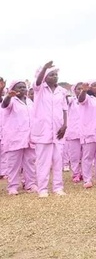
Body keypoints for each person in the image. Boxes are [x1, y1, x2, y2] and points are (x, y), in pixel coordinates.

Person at [32, 61, 68, 197]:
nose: (55, 77)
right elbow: (37, 82)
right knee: (43, 162)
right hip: (43, 131)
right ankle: (43, 189)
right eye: (51, 75)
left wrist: (65, 125)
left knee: (58, 160)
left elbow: (65, 109)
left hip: (58, 131)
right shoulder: (39, 89)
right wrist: (45, 68)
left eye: (56, 74)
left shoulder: (61, 91)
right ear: (45, 77)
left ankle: (58, 188)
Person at [1, 80, 37, 195]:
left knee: (30, 162)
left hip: (29, 137)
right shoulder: (11, 100)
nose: (22, 89)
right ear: (13, 89)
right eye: (19, 87)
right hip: (14, 137)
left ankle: (30, 184)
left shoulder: (30, 101)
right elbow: (4, 105)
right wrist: (8, 96)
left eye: (24, 87)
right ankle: (12, 187)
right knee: (13, 163)